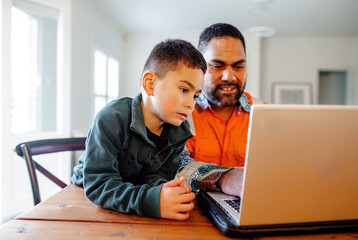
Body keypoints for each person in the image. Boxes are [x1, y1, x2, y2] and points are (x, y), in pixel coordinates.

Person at [71, 39, 243, 221]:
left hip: (129, 194)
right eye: (184, 89)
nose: (190, 103)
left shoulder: (179, 129)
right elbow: (99, 185)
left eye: (195, 95)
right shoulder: (111, 117)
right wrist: (152, 200)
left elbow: (158, 175)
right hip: (86, 195)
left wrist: (165, 193)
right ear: (150, 83)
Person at [185, 23, 263, 167]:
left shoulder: (265, 116)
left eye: (238, 66)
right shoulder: (181, 114)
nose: (229, 77)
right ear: (199, 66)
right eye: (217, 66)